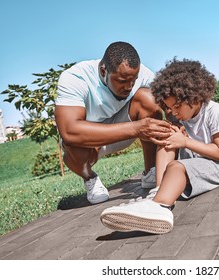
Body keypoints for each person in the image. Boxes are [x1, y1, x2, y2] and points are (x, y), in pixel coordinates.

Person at [100, 58, 219, 234]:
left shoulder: (214, 111)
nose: (174, 112)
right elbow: (176, 139)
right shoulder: (182, 117)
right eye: (170, 108)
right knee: (168, 137)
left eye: (177, 106)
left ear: (194, 97)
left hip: (218, 167)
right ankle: (156, 193)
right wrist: (177, 134)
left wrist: (185, 142)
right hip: (195, 161)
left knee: (176, 166)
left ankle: (161, 207)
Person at [54, 42, 172, 205]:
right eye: (122, 81)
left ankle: (150, 171)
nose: (129, 87)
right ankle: (90, 178)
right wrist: (137, 128)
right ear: (103, 71)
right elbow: (69, 130)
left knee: (149, 100)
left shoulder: (142, 73)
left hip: (123, 129)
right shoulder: (75, 78)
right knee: (71, 141)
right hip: (88, 142)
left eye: (133, 80)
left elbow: (172, 103)